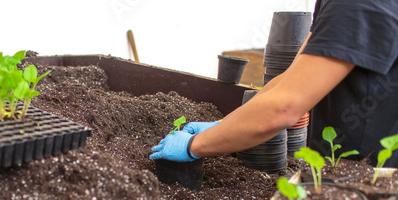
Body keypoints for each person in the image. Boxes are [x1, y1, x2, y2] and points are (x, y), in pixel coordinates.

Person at [150, 0, 398, 168]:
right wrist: (223, 125)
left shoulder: (357, 5)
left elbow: (284, 108)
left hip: (373, 179)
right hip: (341, 175)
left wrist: (195, 146)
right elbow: (291, 78)